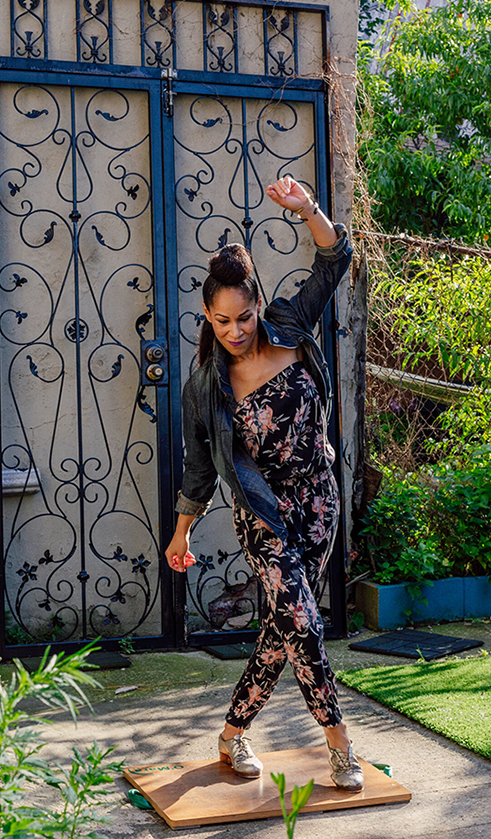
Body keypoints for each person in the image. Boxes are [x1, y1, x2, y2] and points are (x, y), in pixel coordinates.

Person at [164, 176, 362, 791]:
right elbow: (199, 469)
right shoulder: (205, 387)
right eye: (221, 320)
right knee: (303, 621)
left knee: (281, 629)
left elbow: (334, 261)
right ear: (207, 315)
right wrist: (180, 534)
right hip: (264, 514)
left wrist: (309, 211)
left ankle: (231, 735)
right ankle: (342, 748)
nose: (235, 330)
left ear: (258, 306)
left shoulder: (289, 323)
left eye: (243, 316)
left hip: (319, 500)